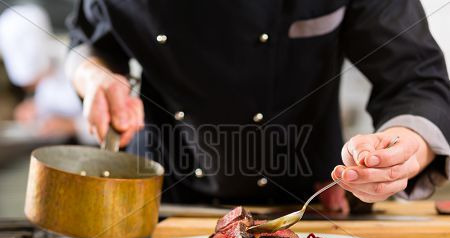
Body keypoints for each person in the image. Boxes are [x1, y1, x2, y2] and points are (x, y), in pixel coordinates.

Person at [66, 0, 450, 213]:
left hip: (310, 206)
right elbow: (90, 42)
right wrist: (95, 77)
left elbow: (414, 78)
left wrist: (406, 147)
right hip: (158, 204)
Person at [0, 4, 94, 143]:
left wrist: (73, 126)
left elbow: (115, 122)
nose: (30, 88)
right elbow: (48, 99)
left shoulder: (79, 66)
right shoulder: (44, 80)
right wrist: (34, 108)